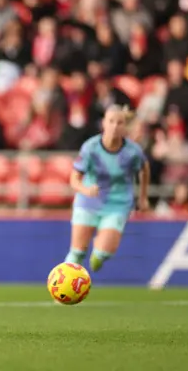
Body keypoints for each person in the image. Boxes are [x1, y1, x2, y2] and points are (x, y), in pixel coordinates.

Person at [65, 105, 150, 272]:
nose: (115, 126)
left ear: (125, 127)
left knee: (101, 255)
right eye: (111, 121)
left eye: (120, 123)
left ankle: (99, 252)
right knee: (77, 252)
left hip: (118, 204)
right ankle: (65, 292)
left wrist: (143, 196)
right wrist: (85, 190)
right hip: (88, 202)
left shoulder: (132, 151)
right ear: (103, 123)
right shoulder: (91, 147)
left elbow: (144, 168)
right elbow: (74, 179)